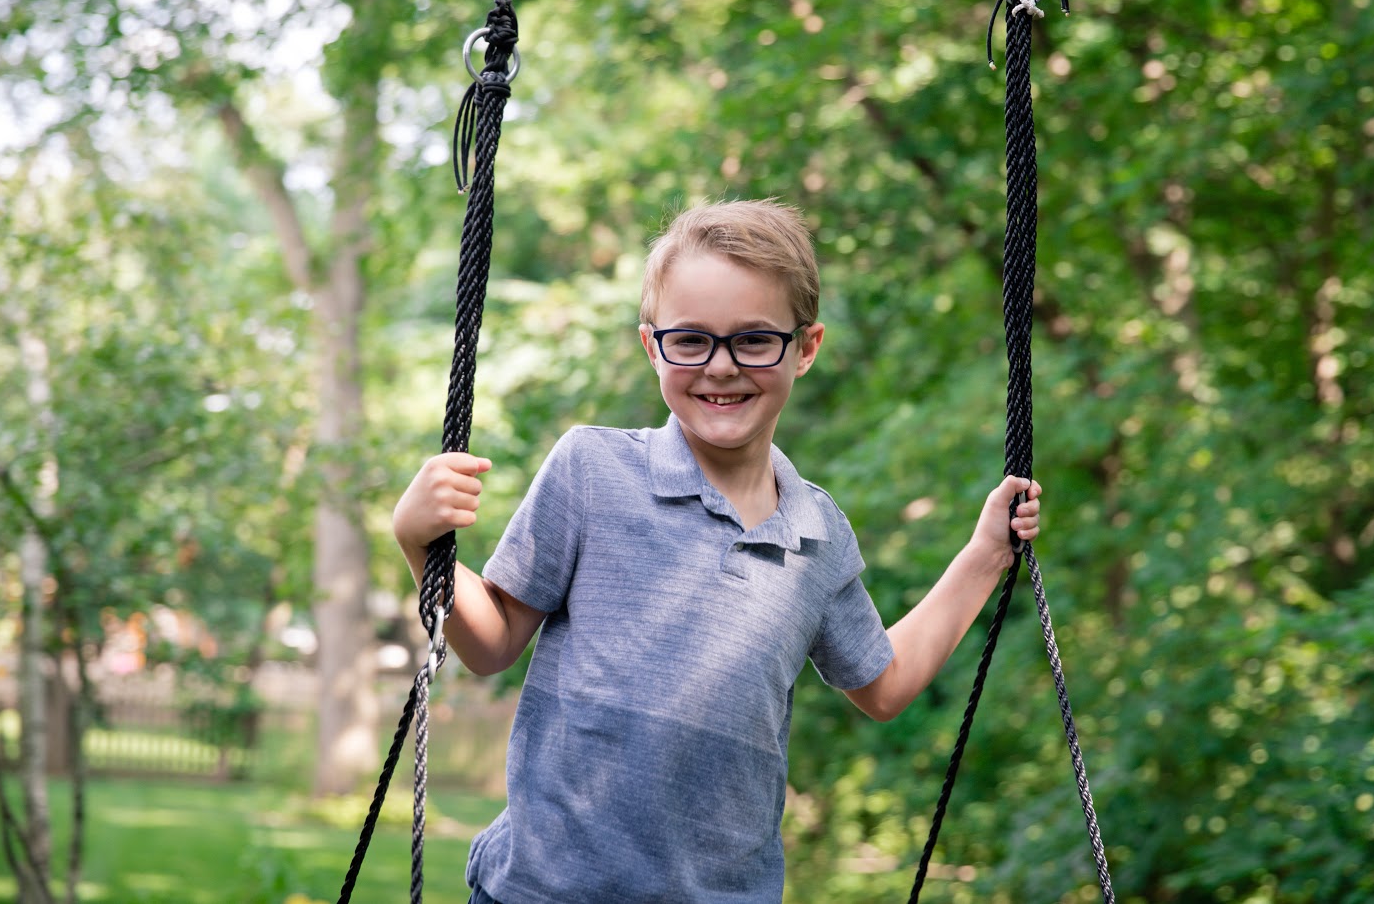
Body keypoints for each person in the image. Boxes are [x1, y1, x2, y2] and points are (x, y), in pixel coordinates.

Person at [392, 199, 1042, 904]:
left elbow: (883, 686)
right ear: (653, 346)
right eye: (691, 340)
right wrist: (420, 542)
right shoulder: (592, 471)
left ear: (806, 347)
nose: (722, 367)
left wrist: (985, 555)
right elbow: (490, 645)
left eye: (755, 340)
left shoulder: (816, 532)